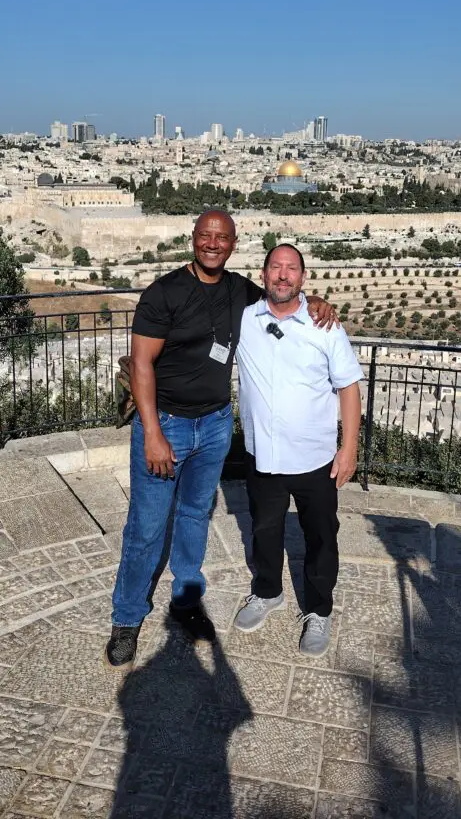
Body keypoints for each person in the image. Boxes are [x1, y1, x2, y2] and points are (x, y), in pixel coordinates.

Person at [105, 211, 338, 670]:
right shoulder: (163, 293)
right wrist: (152, 433)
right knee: (146, 528)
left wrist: (316, 302)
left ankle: (186, 600)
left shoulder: (240, 291)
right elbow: (142, 364)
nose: (212, 244)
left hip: (213, 424)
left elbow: (282, 295)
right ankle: (127, 618)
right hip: (166, 424)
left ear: (233, 244)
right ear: (193, 239)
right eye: (205, 236)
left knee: (195, 516)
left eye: (222, 237)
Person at [234, 242, 363, 657]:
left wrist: (349, 449)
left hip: (315, 458)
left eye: (291, 268)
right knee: (263, 530)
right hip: (263, 455)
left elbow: (349, 387)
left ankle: (319, 611)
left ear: (303, 278)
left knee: (321, 537)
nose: (283, 275)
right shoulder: (244, 319)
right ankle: (268, 592)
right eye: (276, 267)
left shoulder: (324, 325)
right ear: (263, 274)